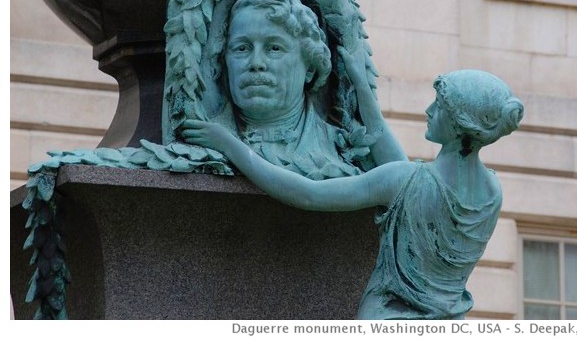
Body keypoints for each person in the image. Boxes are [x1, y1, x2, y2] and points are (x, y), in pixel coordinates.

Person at [182, 69, 524, 319]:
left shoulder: (405, 180)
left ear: (458, 123)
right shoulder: (492, 191)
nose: (429, 111)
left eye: (439, 107)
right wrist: (362, 88)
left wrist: (229, 143)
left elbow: (309, 194)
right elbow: (399, 171)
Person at [192, 0, 406, 178]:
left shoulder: (342, 148)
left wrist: (362, 89)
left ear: (310, 69)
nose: (256, 63)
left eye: (274, 48)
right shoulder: (200, 139)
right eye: (242, 48)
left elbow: (404, 181)